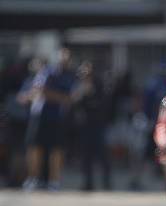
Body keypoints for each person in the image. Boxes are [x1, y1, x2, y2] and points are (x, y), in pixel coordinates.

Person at [21, 48, 75, 191]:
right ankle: (33, 179)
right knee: (35, 148)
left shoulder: (70, 76)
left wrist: (53, 95)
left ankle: (54, 181)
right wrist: (59, 97)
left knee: (56, 150)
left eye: (67, 57)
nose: (64, 59)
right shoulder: (47, 71)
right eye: (62, 56)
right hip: (39, 116)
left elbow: (69, 98)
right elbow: (39, 90)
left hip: (57, 118)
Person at [71, 61, 111, 191]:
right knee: (86, 156)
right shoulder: (80, 86)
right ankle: (88, 183)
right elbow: (75, 103)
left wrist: (91, 96)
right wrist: (82, 94)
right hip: (85, 125)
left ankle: (106, 182)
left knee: (102, 155)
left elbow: (104, 103)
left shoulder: (99, 85)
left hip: (98, 124)